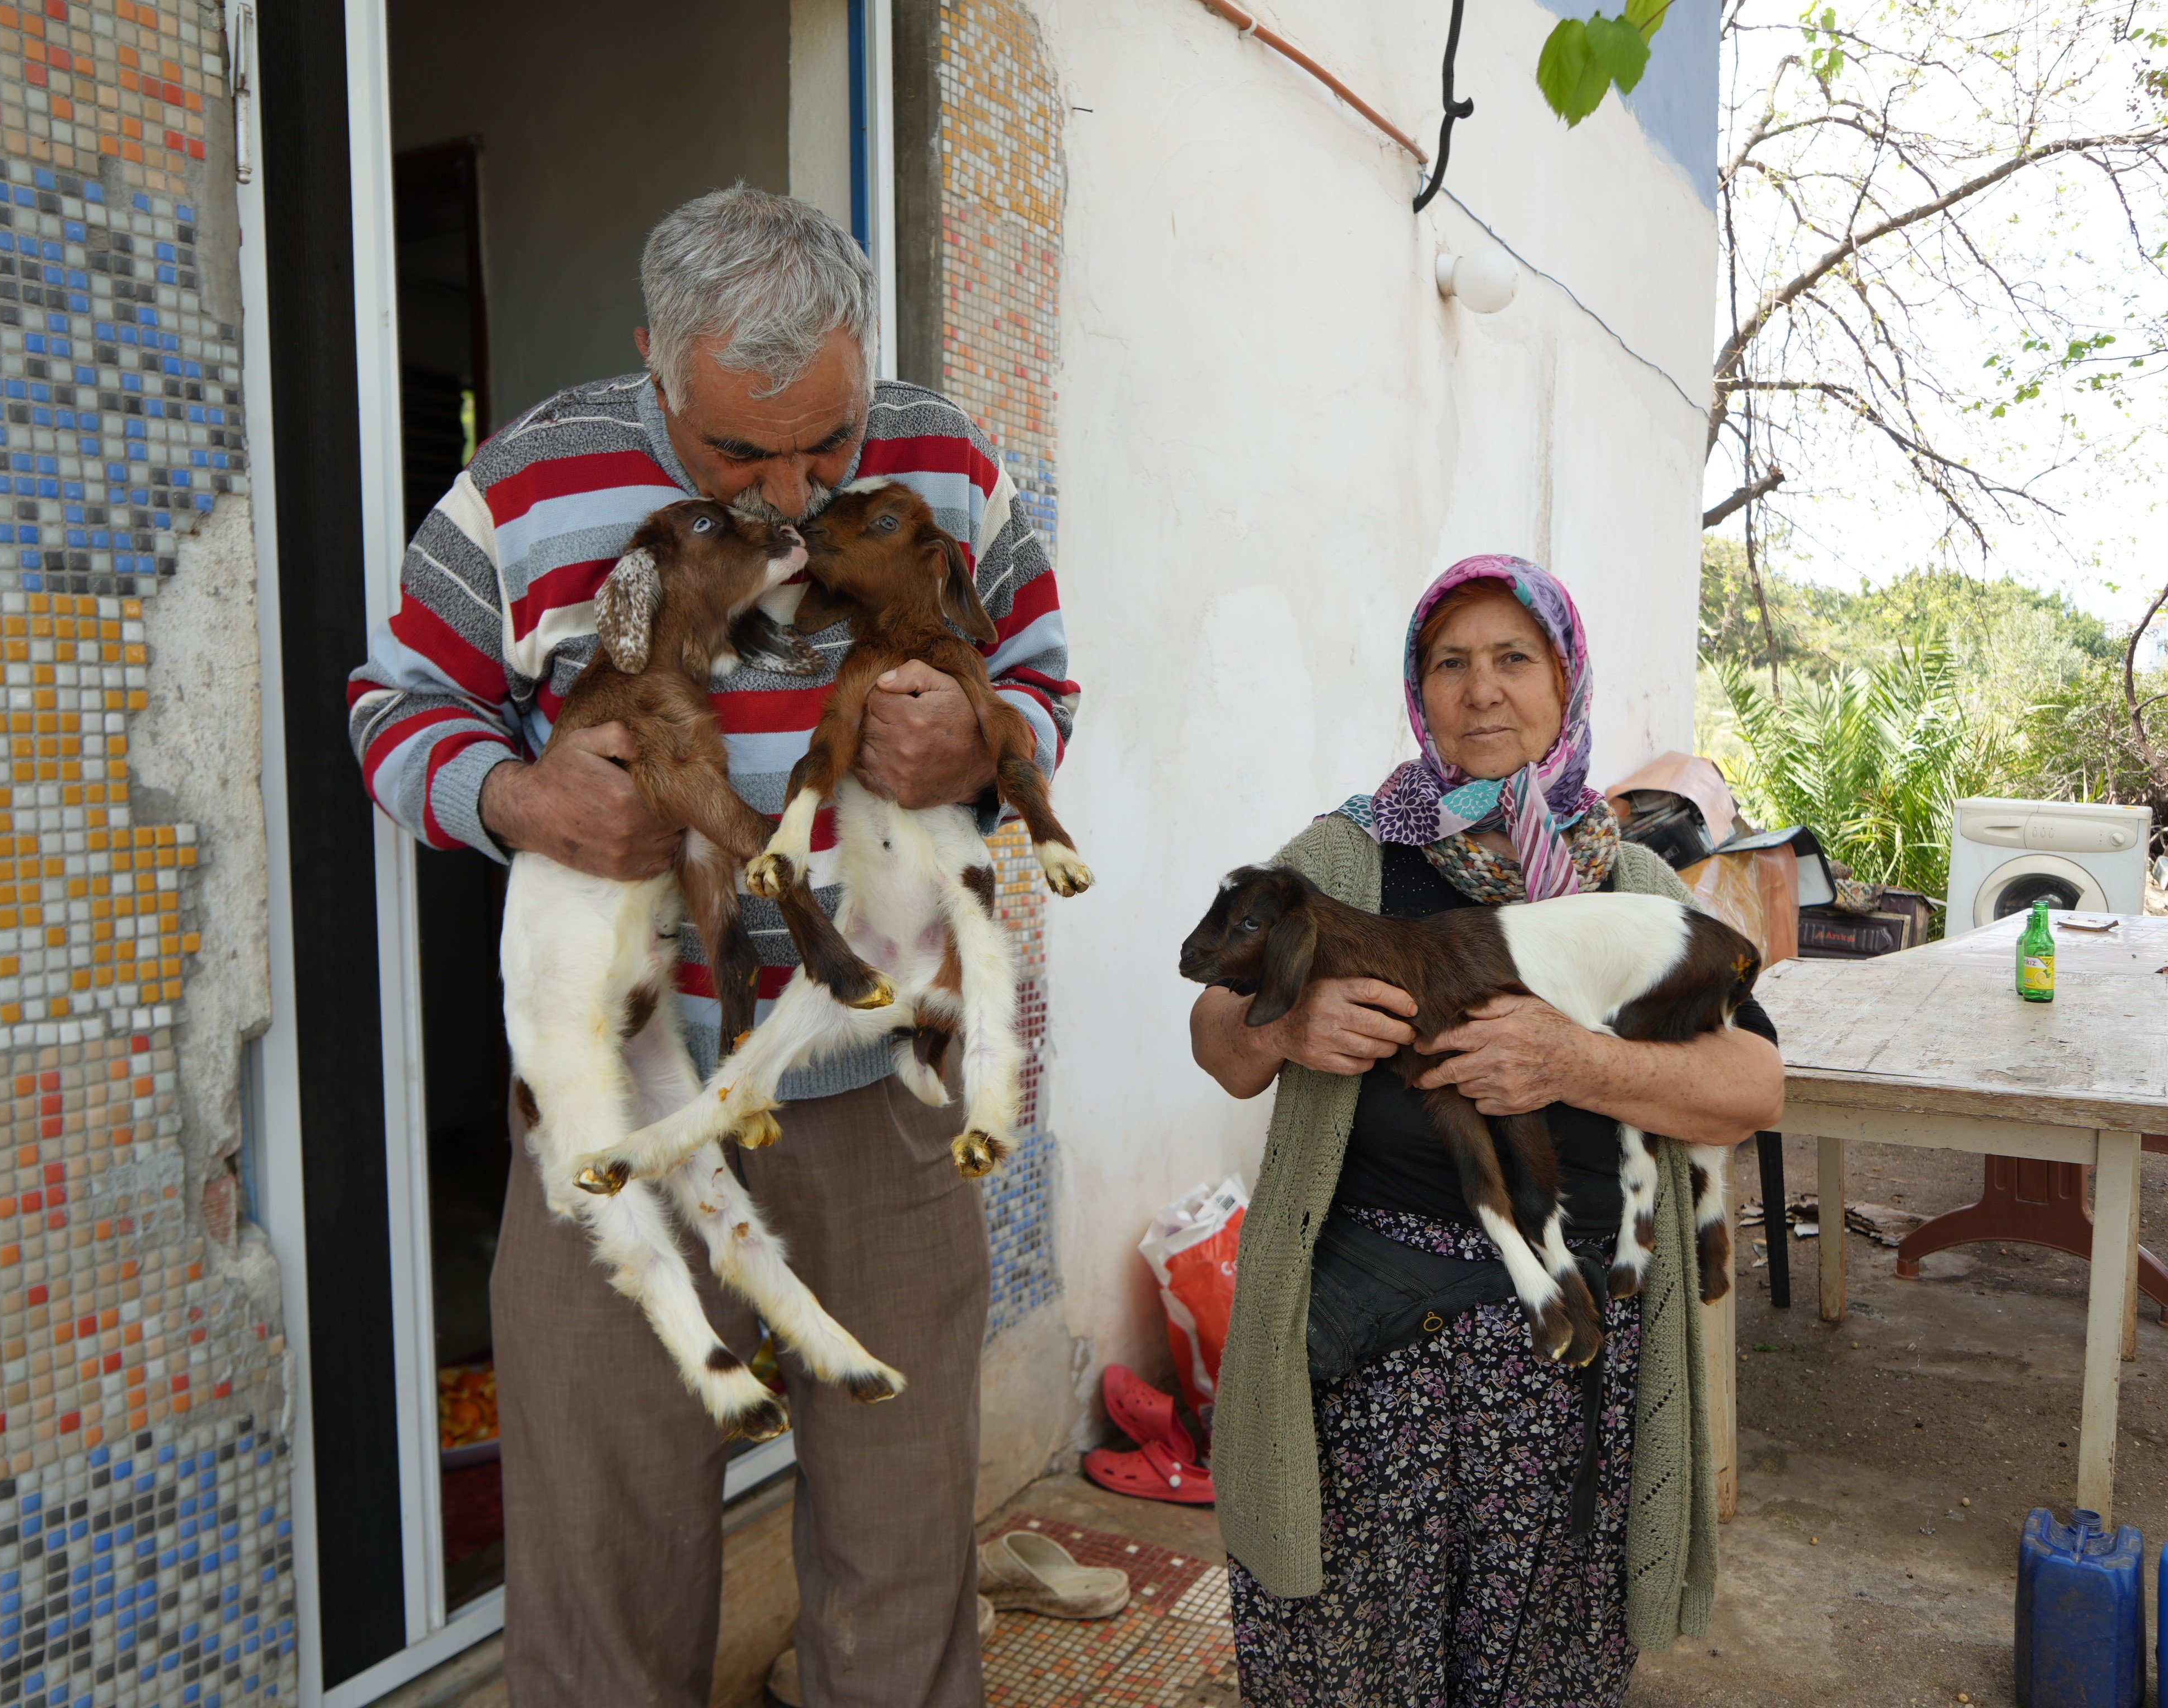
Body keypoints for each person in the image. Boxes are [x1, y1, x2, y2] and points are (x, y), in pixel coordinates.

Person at [346, 186, 1075, 1708]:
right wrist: (517, 797)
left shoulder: (948, 459)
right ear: (654, 367)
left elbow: (1045, 676)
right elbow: (394, 703)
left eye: (832, 441)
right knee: (602, 1586)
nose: (799, 494)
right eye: (742, 454)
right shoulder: (527, 482)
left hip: (882, 1105)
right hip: (617, 1115)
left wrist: (989, 744)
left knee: (903, 1578)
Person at [1190, 557, 1784, 1707]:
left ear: (1566, 686)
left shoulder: (1636, 876)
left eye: (1515, 659)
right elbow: (1217, 1038)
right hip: (1368, 1343)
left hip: (1567, 1361)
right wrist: (1286, 1022)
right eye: (1451, 663)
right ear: (1420, 694)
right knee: (1348, 1661)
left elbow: (1752, 1085)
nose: (1483, 692)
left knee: (1539, 1665)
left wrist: (1578, 1060)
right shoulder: (1350, 857)